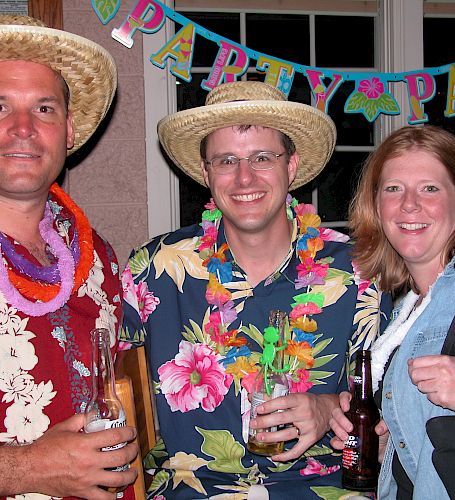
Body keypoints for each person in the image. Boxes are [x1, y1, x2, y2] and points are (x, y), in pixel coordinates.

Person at [120, 80, 391, 498]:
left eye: (262, 157)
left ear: (292, 165)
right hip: (192, 491)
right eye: (226, 160)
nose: (244, 177)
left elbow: (394, 406)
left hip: (325, 489)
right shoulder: (155, 270)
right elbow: (104, 381)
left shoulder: (359, 272)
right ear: (207, 173)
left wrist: (328, 407)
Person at [0, 15, 138, 500]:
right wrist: (25, 468)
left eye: (44, 109)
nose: (23, 128)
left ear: (69, 130)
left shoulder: (100, 258)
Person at [329, 125, 455, 499]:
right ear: (377, 207)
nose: (409, 204)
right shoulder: (404, 310)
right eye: (393, 188)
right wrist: (384, 447)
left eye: (429, 188)